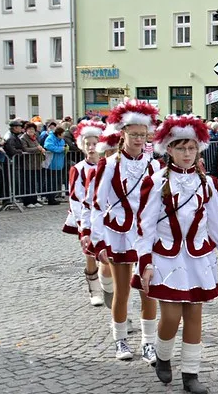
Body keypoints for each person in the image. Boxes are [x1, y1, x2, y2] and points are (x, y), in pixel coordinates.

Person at [132, 115, 218, 394]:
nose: (187, 154)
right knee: (171, 317)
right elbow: (145, 224)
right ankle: (163, 355)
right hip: (166, 256)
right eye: (181, 148)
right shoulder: (156, 181)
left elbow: (216, 222)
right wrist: (145, 262)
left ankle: (191, 373)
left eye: (191, 149)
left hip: (198, 257)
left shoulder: (207, 183)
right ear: (169, 150)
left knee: (194, 315)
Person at [90, 99, 161, 362]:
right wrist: (98, 242)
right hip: (119, 232)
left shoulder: (153, 165)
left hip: (144, 235)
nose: (139, 140)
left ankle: (148, 343)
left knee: (148, 290)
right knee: (122, 291)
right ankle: (120, 341)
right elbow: (98, 203)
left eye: (143, 135)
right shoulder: (109, 165)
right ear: (123, 134)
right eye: (134, 135)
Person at [63, 121, 106, 307]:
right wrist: (83, 223)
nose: (90, 147)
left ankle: (108, 285)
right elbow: (76, 197)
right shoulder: (79, 169)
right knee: (90, 254)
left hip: (106, 218)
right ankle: (94, 289)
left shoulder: (108, 165)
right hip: (86, 217)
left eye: (94, 143)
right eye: (87, 144)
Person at [80, 125, 120, 311]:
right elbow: (86, 200)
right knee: (101, 261)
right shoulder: (92, 170)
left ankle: (120, 309)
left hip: (126, 225)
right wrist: (85, 227)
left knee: (124, 271)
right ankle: (102, 292)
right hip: (102, 222)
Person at [20, 121, 46, 208]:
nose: (31, 130)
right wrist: (37, 148)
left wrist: (41, 149)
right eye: (29, 129)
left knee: (34, 183)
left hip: (36, 163)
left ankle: (34, 200)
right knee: (28, 183)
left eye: (33, 129)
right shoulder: (23, 138)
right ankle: (28, 201)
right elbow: (25, 149)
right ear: (26, 130)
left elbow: (38, 146)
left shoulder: (35, 138)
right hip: (28, 164)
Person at [43, 126, 67, 205]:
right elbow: (48, 146)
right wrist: (61, 149)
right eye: (63, 133)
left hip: (59, 163)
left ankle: (54, 197)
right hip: (52, 163)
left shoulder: (62, 140)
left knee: (56, 181)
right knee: (51, 182)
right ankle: (50, 198)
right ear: (59, 134)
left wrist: (65, 148)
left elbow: (63, 146)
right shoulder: (50, 138)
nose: (64, 135)